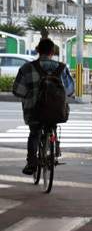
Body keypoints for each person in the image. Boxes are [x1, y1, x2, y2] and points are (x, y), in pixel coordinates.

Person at [12, 38, 75, 175]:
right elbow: (70, 91)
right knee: (52, 126)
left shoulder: (26, 68)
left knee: (34, 134)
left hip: (34, 112)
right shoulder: (62, 68)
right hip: (56, 110)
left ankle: (31, 163)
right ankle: (53, 152)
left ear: (37, 50)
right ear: (53, 51)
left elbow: (18, 91)